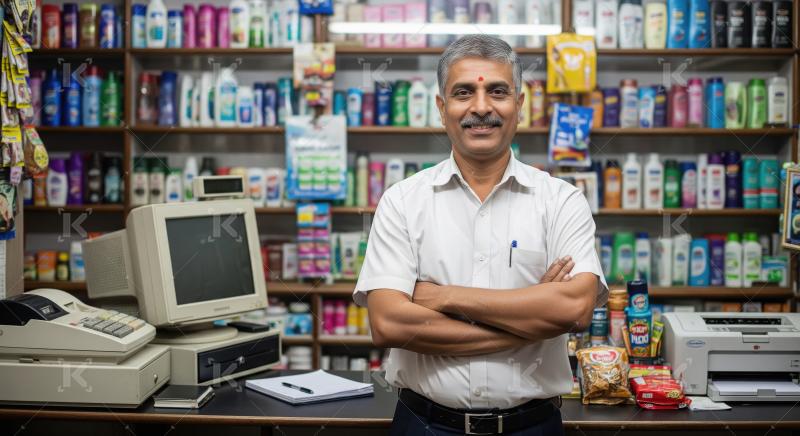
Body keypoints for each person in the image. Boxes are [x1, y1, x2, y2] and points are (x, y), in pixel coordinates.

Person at [353, 34, 608, 435]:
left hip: (533, 426)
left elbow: (575, 309)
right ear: (442, 108)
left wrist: (443, 296)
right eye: (463, 92)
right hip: (425, 425)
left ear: (519, 106)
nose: (481, 107)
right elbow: (389, 324)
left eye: (498, 91)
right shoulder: (402, 201)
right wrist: (532, 319)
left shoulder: (561, 201)